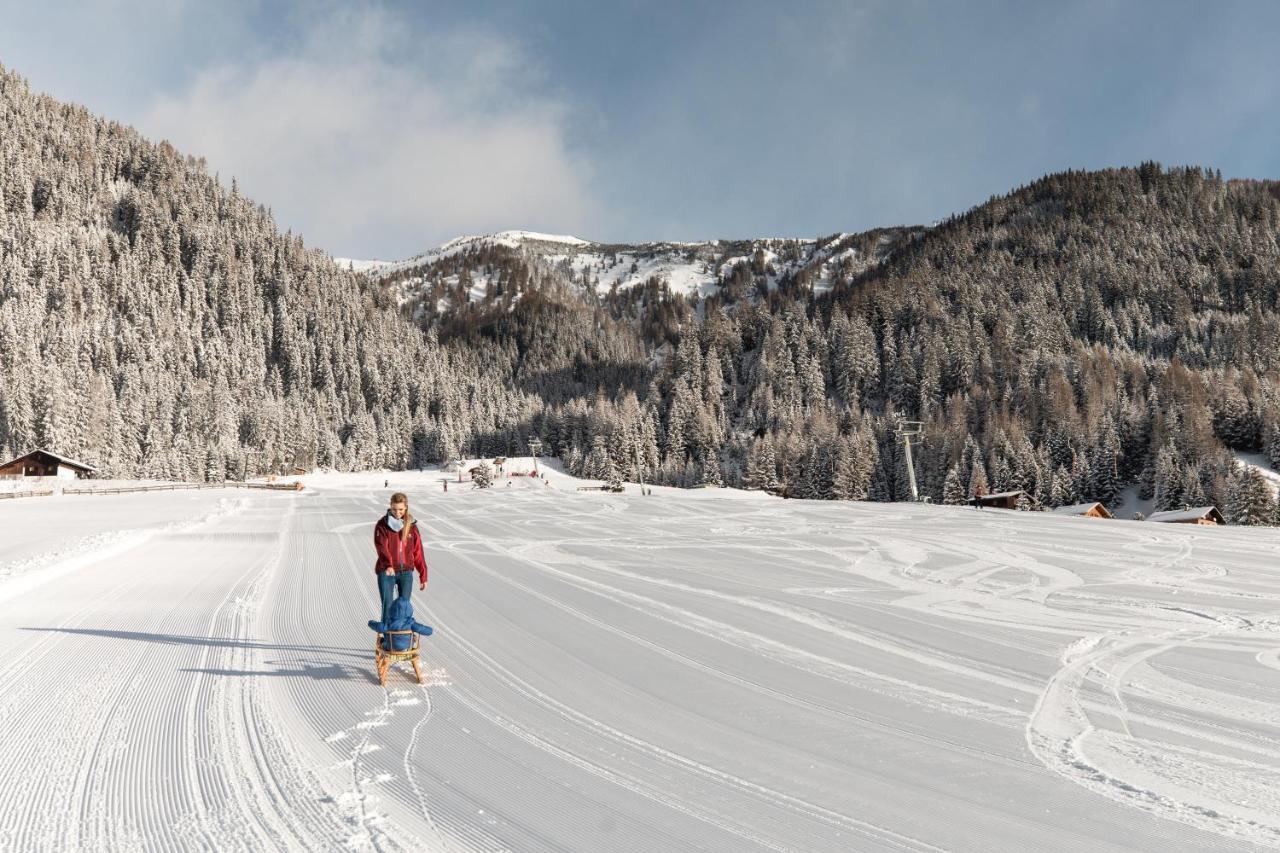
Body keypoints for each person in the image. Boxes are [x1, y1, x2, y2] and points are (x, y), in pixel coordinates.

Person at [373, 492, 428, 625]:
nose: (397, 513)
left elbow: (418, 551)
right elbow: (382, 548)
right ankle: (388, 640)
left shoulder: (411, 526)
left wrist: (423, 575)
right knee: (388, 608)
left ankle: (401, 639)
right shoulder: (382, 525)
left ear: (406, 508)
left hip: (406, 573)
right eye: (394, 509)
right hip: (387, 572)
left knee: (404, 609)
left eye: (401, 510)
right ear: (390, 507)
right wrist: (388, 565)